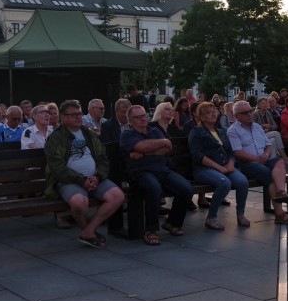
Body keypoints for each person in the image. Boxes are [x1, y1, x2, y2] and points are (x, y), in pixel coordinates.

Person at [44, 100, 124, 248]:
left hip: (95, 178)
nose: (78, 117)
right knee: (79, 203)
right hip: (69, 181)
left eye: (80, 114)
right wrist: (82, 181)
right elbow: (57, 168)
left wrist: (98, 176)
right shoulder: (55, 138)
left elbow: (103, 159)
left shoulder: (89, 134)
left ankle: (88, 231)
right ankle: (87, 231)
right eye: (73, 114)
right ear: (64, 117)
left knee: (117, 196)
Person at [121, 105, 192, 245]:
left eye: (144, 115)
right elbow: (141, 146)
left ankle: (172, 222)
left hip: (163, 170)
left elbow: (167, 148)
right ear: (130, 120)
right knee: (154, 188)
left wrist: (146, 152)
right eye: (138, 117)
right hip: (141, 172)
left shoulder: (154, 131)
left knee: (186, 189)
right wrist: (160, 143)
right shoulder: (127, 134)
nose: (143, 119)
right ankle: (150, 230)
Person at [228, 101, 288, 225]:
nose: (250, 114)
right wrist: (256, 158)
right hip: (247, 163)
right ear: (237, 116)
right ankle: (279, 214)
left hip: (263, 160)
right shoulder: (233, 130)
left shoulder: (257, 127)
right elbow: (238, 152)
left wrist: (266, 154)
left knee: (280, 162)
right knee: (268, 174)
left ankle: (281, 192)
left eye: (250, 111)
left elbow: (268, 145)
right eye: (245, 113)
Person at [188, 101, 249, 230]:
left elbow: (230, 151)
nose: (213, 114)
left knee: (242, 182)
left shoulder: (220, 132)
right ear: (201, 117)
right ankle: (211, 217)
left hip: (225, 166)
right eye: (208, 113)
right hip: (204, 169)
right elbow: (197, 155)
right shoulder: (197, 132)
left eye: (214, 111)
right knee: (224, 183)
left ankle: (241, 215)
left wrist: (231, 163)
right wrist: (219, 168)